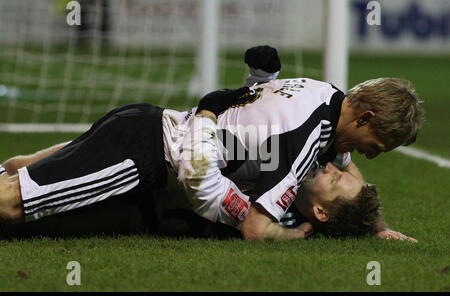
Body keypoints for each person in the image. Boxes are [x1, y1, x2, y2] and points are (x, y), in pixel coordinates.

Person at [0, 46, 423, 241]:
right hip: (145, 152)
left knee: (20, 171)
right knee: (14, 205)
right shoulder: (304, 141)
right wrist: (294, 234)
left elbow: (346, 165)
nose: (369, 156)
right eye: (378, 144)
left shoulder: (327, 98)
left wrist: (378, 227)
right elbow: (256, 227)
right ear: (365, 117)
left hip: (152, 126)